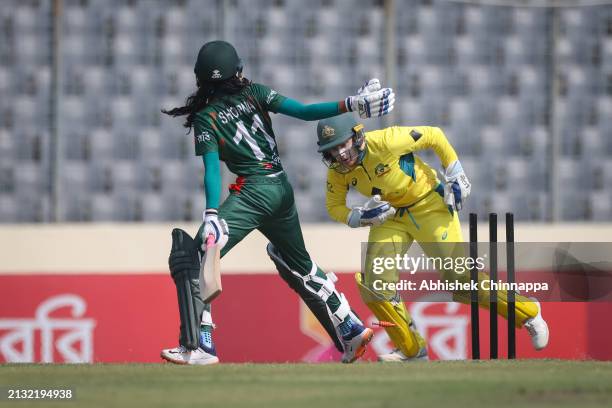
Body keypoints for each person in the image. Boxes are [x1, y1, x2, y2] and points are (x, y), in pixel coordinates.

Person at [159, 40, 395, 365]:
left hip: (254, 193)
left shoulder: (206, 118)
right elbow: (303, 112)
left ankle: (202, 345)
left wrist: (212, 212)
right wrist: (350, 103)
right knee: (301, 264)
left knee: (199, 255)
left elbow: (212, 171)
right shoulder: (255, 91)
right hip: (281, 189)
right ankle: (351, 326)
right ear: (237, 70)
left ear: (200, 78)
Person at [315, 110, 550, 362]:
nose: (340, 154)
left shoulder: (386, 140)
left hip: (429, 204)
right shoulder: (338, 171)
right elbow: (334, 206)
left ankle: (528, 312)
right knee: (375, 286)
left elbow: (434, 136)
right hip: (390, 217)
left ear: (357, 136)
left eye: (343, 144)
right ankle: (412, 350)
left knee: (458, 279)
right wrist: (360, 217)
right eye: (332, 149)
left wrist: (454, 171)